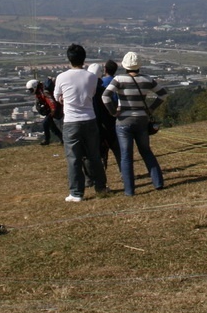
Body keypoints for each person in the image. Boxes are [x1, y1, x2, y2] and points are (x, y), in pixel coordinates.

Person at [101, 51, 166, 196]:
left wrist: (113, 112)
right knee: (146, 151)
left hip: (124, 120)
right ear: (139, 66)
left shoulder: (119, 79)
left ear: (125, 65)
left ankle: (129, 190)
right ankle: (158, 182)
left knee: (126, 155)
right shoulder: (147, 79)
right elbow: (163, 94)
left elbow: (105, 96)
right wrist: (150, 108)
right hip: (142, 119)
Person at [53, 44, 108, 202]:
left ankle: (76, 192)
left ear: (69, 58)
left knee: (74, 158)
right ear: (84, 59)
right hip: (90, 119)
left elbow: (58, 96)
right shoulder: (91, 77)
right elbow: (91, 94)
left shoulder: (62, 77)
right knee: (94, 156)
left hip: (71, 121)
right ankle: (101, 187)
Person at [92, 60, 121, 172]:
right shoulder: (118, 82)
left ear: (105, 70)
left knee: (99, 151)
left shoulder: (100, 85)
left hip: (99, 122)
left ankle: (98, 176)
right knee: (117, 149)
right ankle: (124, 173)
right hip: (114, 119)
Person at [27, 79, 63, 146]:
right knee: (51, 126)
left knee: (45, 123)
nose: (31, 92)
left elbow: (51, 102)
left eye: (31, 90)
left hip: (54, 110)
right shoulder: (39, 92)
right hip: (52, 110)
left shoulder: (44, 92)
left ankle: (47, 140)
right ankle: (61, 139)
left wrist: (52, 112)